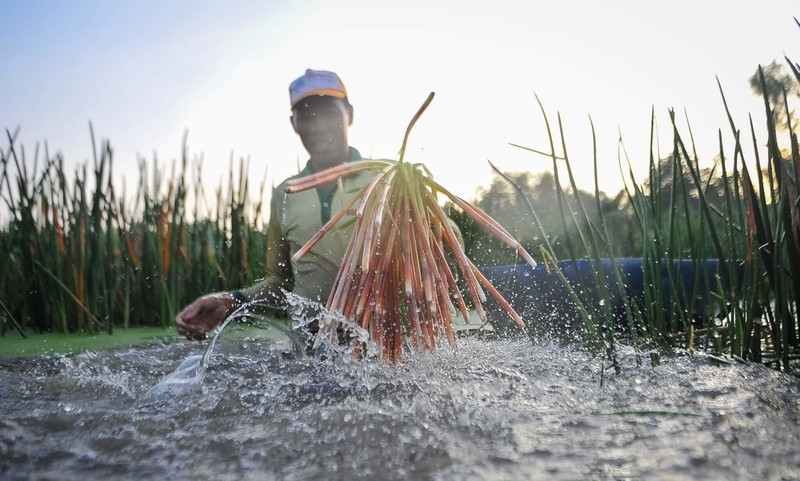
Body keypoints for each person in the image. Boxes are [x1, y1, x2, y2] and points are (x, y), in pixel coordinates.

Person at [176, 69, 379, 341]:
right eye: (306, 115)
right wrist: (230, 302)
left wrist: (437, 227)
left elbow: (438, 252)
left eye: (329, 112)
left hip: (385, 356)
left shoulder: (386, 182)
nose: (318, 126)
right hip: (311, 356)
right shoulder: (285, 194)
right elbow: (283, 284)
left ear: (350, 114)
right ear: (294, 123)